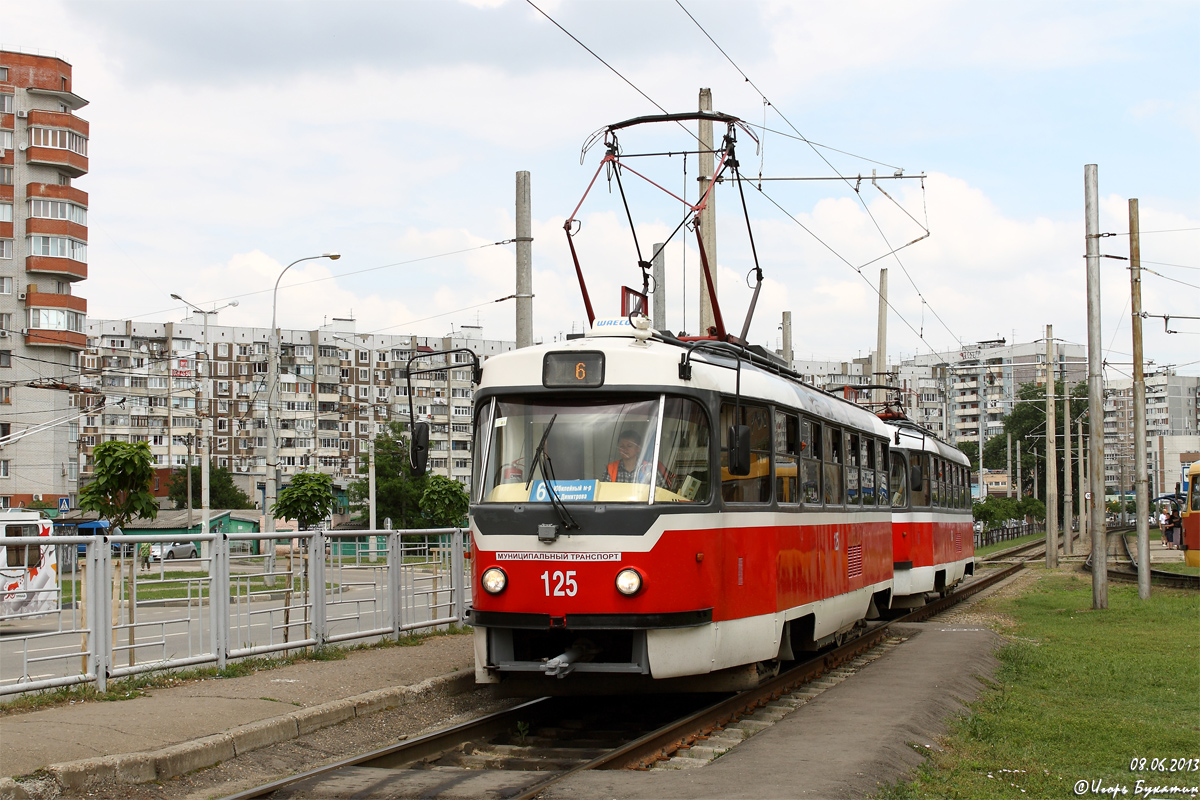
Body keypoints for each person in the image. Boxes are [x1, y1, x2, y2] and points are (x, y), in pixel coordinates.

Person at [605, 429, 674, 487]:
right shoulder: (611, 469)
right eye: (622, 446)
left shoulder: (649, 468)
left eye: (629, 446)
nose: (625, 449)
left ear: (638, 448)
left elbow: (662, 492)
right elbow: (604, 493)